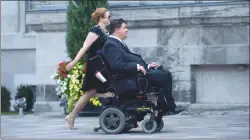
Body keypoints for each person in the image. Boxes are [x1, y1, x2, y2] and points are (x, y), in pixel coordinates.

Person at [101, 19, 185, 123]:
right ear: (117, 29)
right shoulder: (111, 44)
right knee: (165, 75)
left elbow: (126, 60)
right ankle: (167, 106)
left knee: (161, 72)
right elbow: (116, 65)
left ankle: (165, 106)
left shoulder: (117, 43)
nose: (127, 30)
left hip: (134, 75)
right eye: (124, 28)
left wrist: (148, 66)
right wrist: (137, 67)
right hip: (127, 79)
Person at [64, 7, 111, 129]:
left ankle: (71, 116)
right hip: (95, 66)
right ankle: (71, 116)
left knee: (92, 91)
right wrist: (74, 61)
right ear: (101, 18)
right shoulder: (95, 30)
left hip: (102, 64)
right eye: (108, 16)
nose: (110, 18)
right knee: (98, 89)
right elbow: (84, 47)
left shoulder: (105, 31)